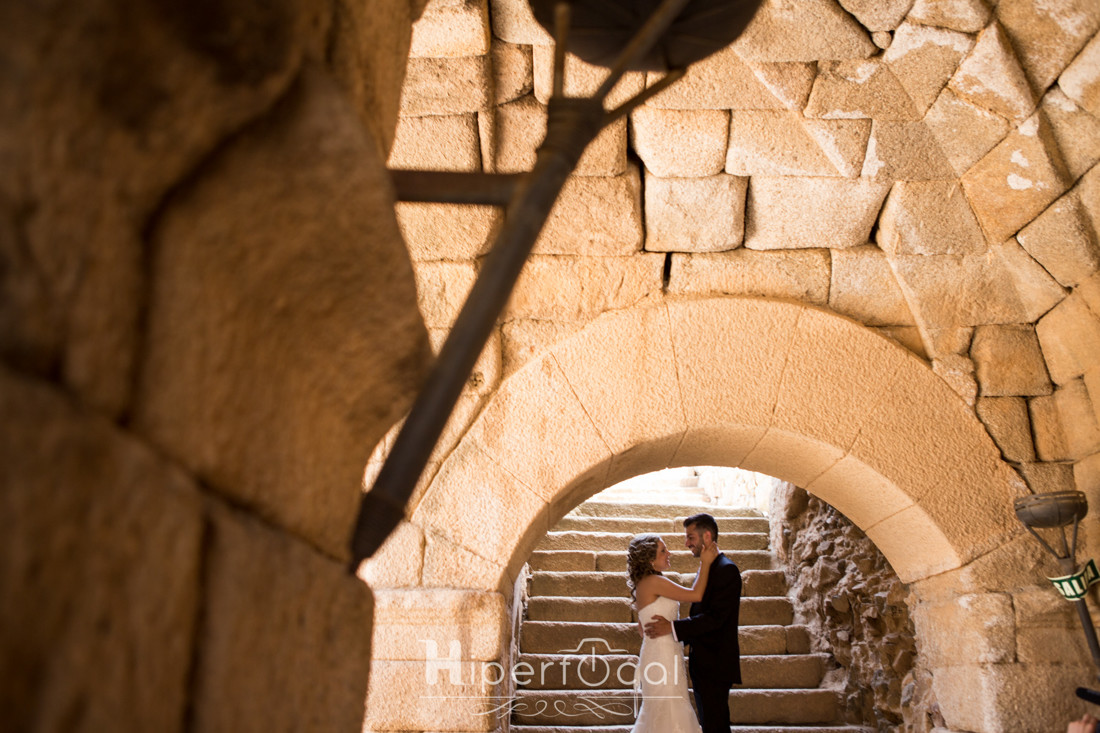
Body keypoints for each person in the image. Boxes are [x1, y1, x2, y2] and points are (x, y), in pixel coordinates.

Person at [644, 513, 742, 733]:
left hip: (715, 664)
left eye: (690, 537)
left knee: (716, 725)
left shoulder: (726, 570)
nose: (686, 543)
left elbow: (715, 619)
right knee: (710, 724)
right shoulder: (708, 566)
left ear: (707, 536)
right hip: (704, 663)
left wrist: (673, 628)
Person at [627, 531, 718, 733]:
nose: (669, 552)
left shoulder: (647, 582)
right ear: (650, 560)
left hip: (660, 652)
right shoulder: (654, 582)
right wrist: (705, 563)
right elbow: (696, 594)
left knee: (662, 709)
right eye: (663, 550)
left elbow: (643, 628)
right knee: (669, 708)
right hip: (663, 655)